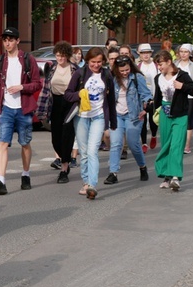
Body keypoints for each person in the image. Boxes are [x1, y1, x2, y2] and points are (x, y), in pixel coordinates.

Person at [0, 27, 42, 195]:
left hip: (23, 109)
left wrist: (21, 87)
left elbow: (37, 83)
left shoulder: (27, 59)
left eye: (11, 39)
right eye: (5, 40)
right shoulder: (1, 61)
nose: (7, 43)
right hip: (7, 109)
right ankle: (1, 181)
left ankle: (25, 175)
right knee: (2, 143)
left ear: (18, 41)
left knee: (25, 143)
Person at [64, 47, 117, 200]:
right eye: (93, 62)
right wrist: (78, 95)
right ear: (87, 61)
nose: (96, 65)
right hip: (81, 116)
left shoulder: (107, 75)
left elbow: (111, 100)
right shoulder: (79, 73)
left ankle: (92, 185)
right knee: (84, 151)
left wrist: (112, 121)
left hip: (98, 116)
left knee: (93, 150)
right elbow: (67, 94)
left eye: (99, 62)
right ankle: (86, 181)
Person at [153, 50, 193, 191]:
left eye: (161, 64)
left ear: (169, 62)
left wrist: (183, 87)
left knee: (177, 145)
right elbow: (157, 97)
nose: (159, 67)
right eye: (158, 65)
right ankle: (167, 177)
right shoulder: (158, 78)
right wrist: (152, 110)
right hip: (165, 114)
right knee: (166, 145)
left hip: (180, 115)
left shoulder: (182, 76)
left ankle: (175, 177)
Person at [104, 55, 152, 185]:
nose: (125, 72)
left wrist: (146, 107)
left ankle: (142, 167)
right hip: (117, 115)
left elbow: (146, 95)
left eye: (127, 69)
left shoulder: (137, 78)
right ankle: (113, 173)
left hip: (134, 116)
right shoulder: (112, 79)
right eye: (122, 71)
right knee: (116, 143)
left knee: (133, 144)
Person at [36, 41, 78, 184]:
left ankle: (64, 169)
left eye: (63, 56)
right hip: (55, 104)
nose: (60, 58)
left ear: (67, 56)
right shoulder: (52, 69)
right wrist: (41, 109)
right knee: (56, 139)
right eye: (58, 56)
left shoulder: (74, 69)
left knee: (67, 135)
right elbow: (46, 89)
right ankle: (65, 158)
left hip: (70, 104)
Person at [174, 43, 193, 153]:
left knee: (187, 119)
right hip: (177, 96)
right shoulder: (175, 64)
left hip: (191, 96)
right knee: (178, 119)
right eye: (181, 51)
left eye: (185, 52)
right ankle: (178, 143)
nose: (183, 54)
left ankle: (186, 145)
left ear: (190, 53)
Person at [137, 43, 159, 152]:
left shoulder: (156, 66)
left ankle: (154, 136)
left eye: (147, 53)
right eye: (143, 53)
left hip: (154, 96)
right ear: (139, 54)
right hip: (142, 98)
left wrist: (157, 97)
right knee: (143, 120)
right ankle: (144, 143)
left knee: (153, 119)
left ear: (151, 53)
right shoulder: (138, 67)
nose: (145, 55)